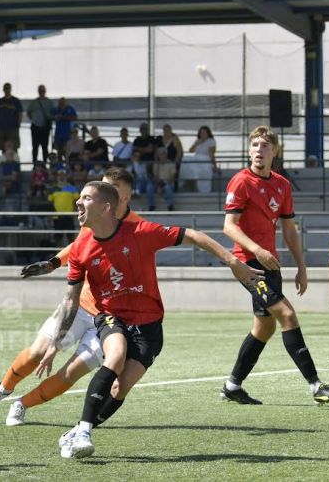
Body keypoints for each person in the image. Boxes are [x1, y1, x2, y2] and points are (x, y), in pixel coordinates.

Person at [42, 181, 262, 459]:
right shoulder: (79, 249)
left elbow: (193, 235)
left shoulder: (142, 232)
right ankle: (85, 431)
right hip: (111, 317)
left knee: (120, 388)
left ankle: (76, 432)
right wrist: (56, 342)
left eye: (86, 198)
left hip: (149, 325)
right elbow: (71, 300)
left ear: (106, 207)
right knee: (116, 355)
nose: (78, 203)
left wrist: (233, 262)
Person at [0, 169, 146, 425]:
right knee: (38, 351)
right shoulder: (94, 218)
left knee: (71, 372)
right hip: (82, 306)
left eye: (111, 186)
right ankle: (4, 387)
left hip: (112, 318)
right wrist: (53, 263)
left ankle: (22, 404)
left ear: (126, 195)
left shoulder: (139, 228)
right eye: (101, 184)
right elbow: (78, 248)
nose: (101, 188)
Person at [220, 126, 329, 406]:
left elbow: (289, 229)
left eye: (264, 146)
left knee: (264, 328)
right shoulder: (240, 181)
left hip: (270, 263)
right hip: (247, 263)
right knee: (287, 315)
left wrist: (301, 266)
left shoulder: (282, 184)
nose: (259, 150)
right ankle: (316, 386)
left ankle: (232, 386)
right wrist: (257, 249)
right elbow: (229, 227)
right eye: (254, 145)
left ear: (275, 152)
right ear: (249, 150)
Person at [27, 84, 53, 164]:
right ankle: (34, 164)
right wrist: (34, 120)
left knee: (45, 147)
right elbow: (28, 112)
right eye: (40, 90)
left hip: (45, 127)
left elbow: (53, 113)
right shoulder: (34, 102)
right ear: (38, 92)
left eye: (43, 90)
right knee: (35, 147)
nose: (42, 92)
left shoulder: (49, 102)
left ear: (45, 91)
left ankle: (45, 164)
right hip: (35, 127)